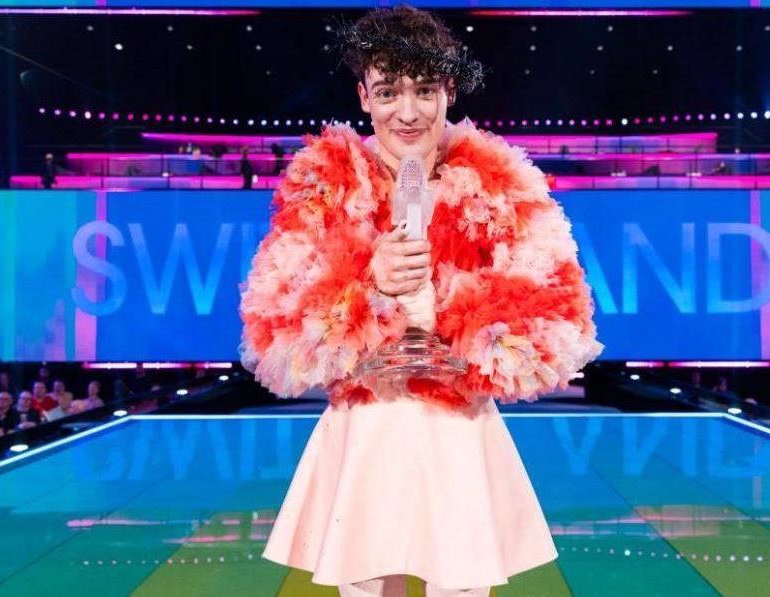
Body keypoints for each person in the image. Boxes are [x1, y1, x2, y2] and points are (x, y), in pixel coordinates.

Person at [239, 6, 603, 596]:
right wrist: (366, 285)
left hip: (457, 424)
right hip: (366, 424)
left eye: (425, 90)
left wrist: (457, 317)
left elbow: (558, 312)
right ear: (364, 96)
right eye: (388, 92)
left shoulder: (501, 184)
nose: (407, 113)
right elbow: (273, 319)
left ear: (449, 91)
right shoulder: (326, 184)